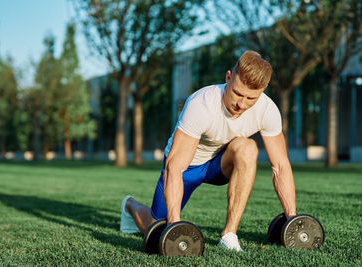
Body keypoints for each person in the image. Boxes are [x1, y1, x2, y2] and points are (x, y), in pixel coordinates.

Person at [120, 50, 296, 252]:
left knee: (248, 148)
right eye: (237, 93)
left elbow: (281, 166)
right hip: (187, 166)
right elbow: (175, 166)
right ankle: (130, 205)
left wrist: (291, 217)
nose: (241, 103)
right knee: (155, 225)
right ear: (228, 77)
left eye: (250, 98)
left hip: (220, 164)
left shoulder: (267, 110)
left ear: (262, 92)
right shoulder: (201, 103)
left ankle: (229, 235)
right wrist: (174, 225)